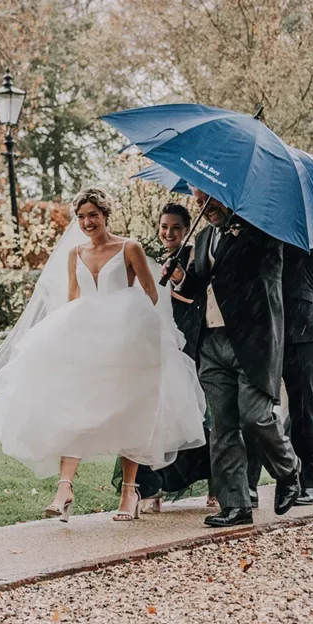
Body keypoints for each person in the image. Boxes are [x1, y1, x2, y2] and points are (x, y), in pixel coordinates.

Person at [0, 188, 206, 522]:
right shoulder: (75, 253)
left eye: (93, 214)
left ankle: (129, 491)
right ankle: (64, 488)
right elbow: (74, 300)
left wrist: (127, 327)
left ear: (105, 214)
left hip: (126, 344)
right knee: (73, 410)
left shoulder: (129, 248)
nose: (87, 222)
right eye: (80, 216)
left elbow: (151, 296)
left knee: (128, 413)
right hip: (85, 347)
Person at [177, 192, 301, 527]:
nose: (205, 206)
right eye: (199, 199)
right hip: (211, 343)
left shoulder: (262, 232)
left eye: (211, 198)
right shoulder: (202, 238)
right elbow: (199, 284)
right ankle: (236, 505)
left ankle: (289, 469)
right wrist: (180, 277)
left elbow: (259, 272)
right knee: (222, 427)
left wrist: (244, 223)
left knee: (255, 418)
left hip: (253, 342)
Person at [125, 203, 209, 515]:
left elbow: (195, 296)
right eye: (164, 226)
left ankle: (210, 477)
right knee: (151, 413)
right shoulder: (156, 260)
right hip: (156, 343)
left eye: (175, 227)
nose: (168, 232)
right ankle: (150, 486)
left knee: (191, 414)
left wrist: (177, 280)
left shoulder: (194, 258)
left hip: (189, 343)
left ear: (186, 229)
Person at [281, 242, 313, 505]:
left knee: (305, 409)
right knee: (254, 410)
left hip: (304, 331)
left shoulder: (307, 234)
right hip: (266, 330)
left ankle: (311, 480)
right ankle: (250, 486)